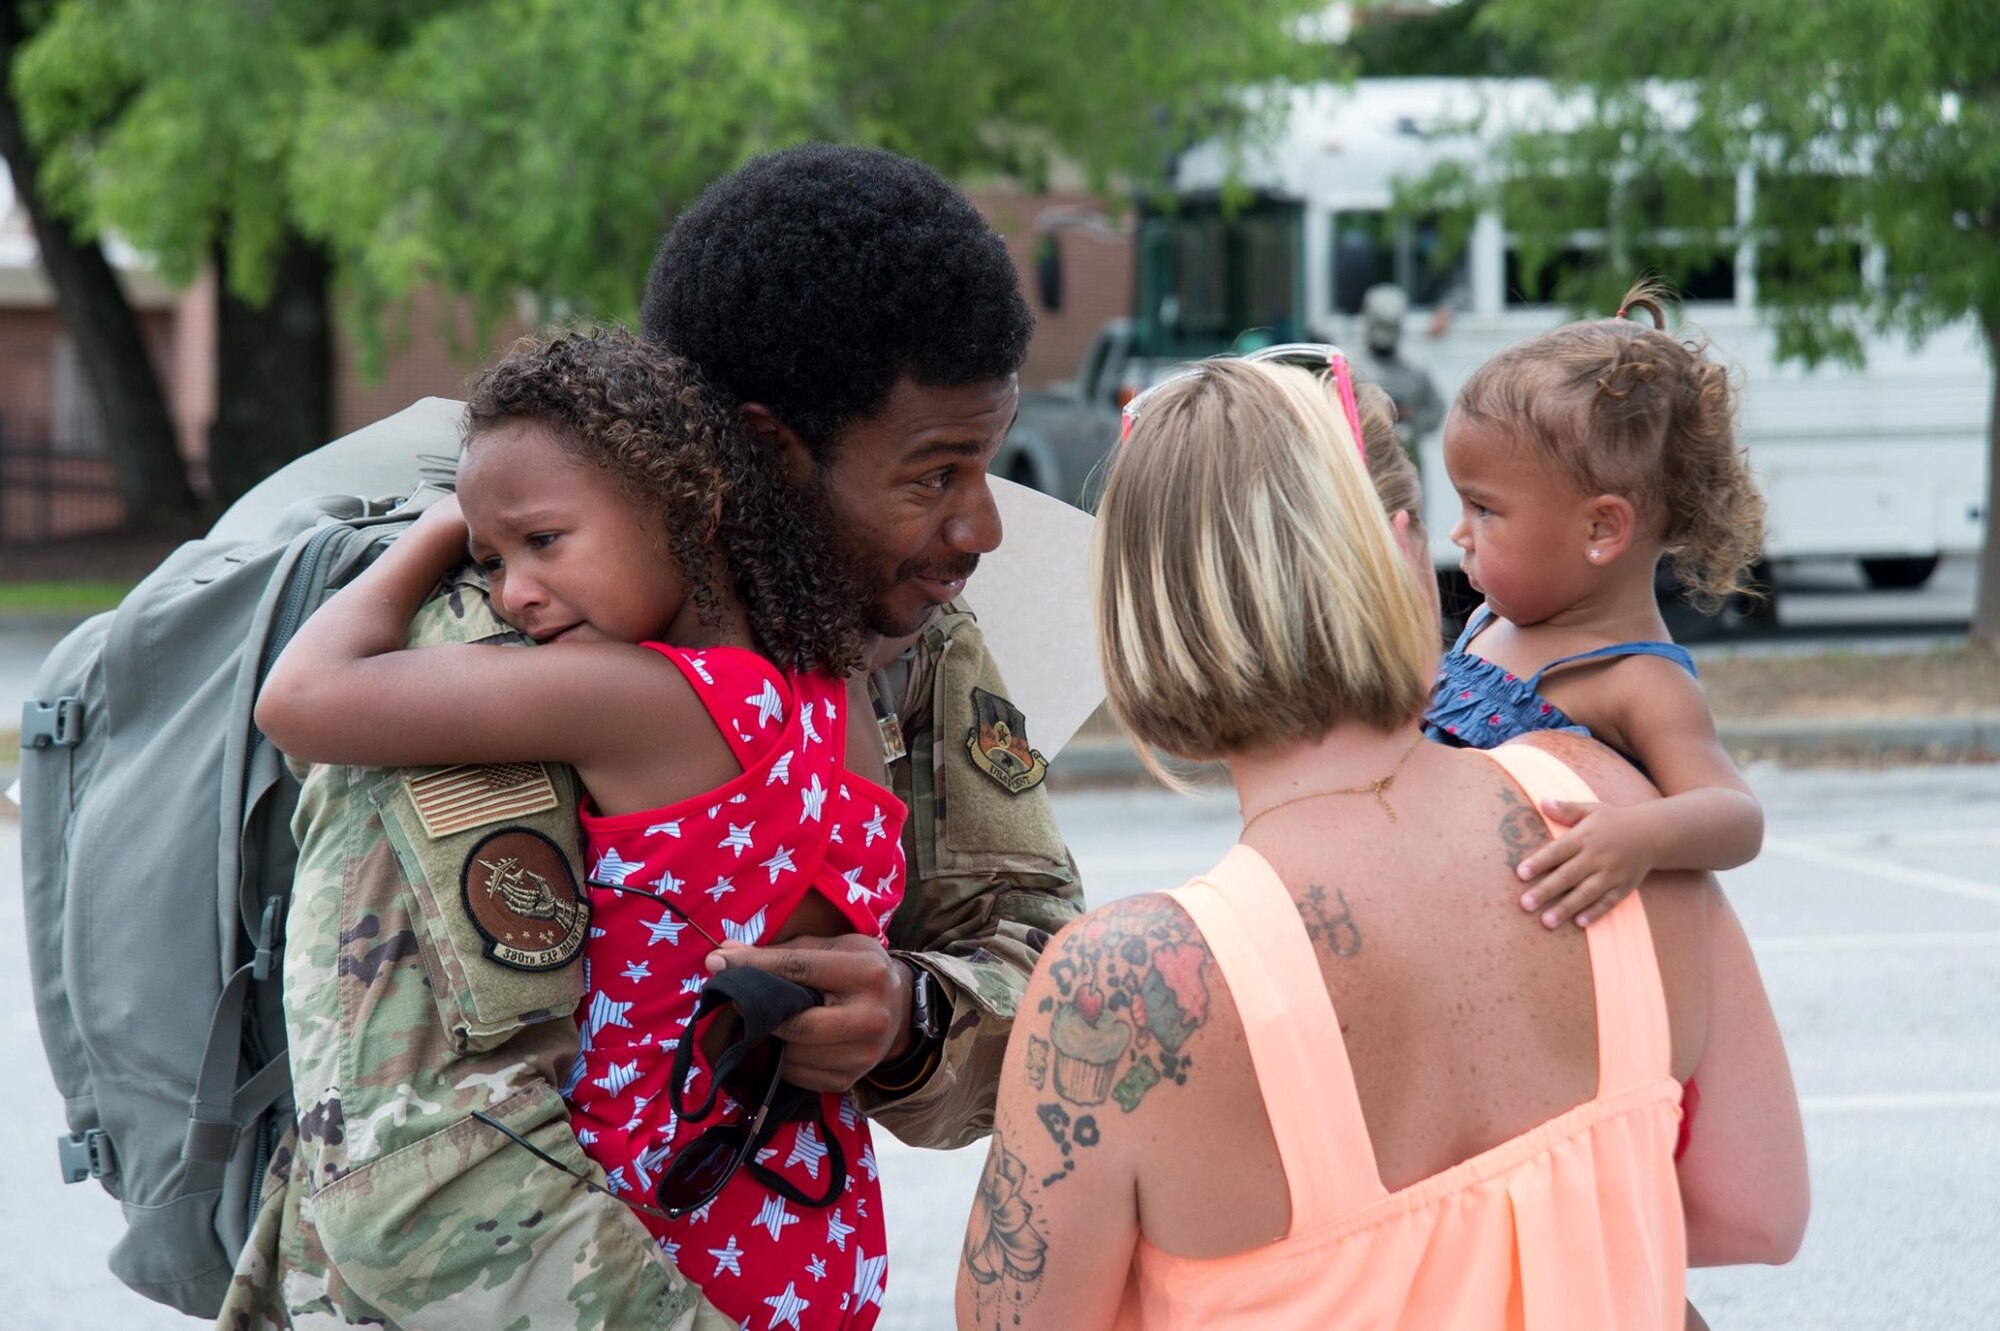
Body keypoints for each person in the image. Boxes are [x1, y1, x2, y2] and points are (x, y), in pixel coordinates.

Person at [218, 144, 1078, 1330]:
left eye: (982, 461)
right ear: (772, 452)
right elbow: (411, 1169)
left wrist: (911, 1015)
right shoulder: (499, 649)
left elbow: (1047, 964)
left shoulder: (899, 625)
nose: (981, 522)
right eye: (934, 471)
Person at [957, 358, 1807, 1330]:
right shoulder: (1614, 806)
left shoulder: (1121, 988)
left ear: (1142, 621)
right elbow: (1756, 1206)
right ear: (1400, 550)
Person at [256, 329, 903, 1330]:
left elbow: (300, 697)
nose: (511, 592)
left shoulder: (631, 694)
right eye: (489, 557)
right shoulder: (836, 683)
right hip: (808, 1221)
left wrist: (432, 535)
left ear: (687, 505)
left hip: (654, 1205)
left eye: (542, 540)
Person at [1424, 282, 1767, 929]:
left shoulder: (1640, 681)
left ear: (1600, 530)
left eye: (1485, 509)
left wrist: (1642, 835)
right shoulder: (1487, 622)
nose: (1459, 532)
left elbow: (1736, 814)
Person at [1351, 283, 1444, 458]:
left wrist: (1412, 417)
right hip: (1365, 458)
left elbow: (1436, 410)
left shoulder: (1414, 370)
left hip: (1406, 458)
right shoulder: (1352, 370)